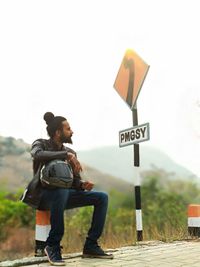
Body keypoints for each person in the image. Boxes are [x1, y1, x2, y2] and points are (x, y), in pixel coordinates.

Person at [21, 112, 113, 266]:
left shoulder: (71, 153)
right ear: (58, 132)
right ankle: (52, 246)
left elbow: (73, 182)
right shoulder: (41, 143)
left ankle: (90, 246)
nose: (72, 131)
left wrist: (82, 184)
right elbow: (37, 155)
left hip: (62, 195)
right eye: (68, 129)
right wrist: (66, 155)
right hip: (43, 196)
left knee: (102, 197)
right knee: (61, 192)